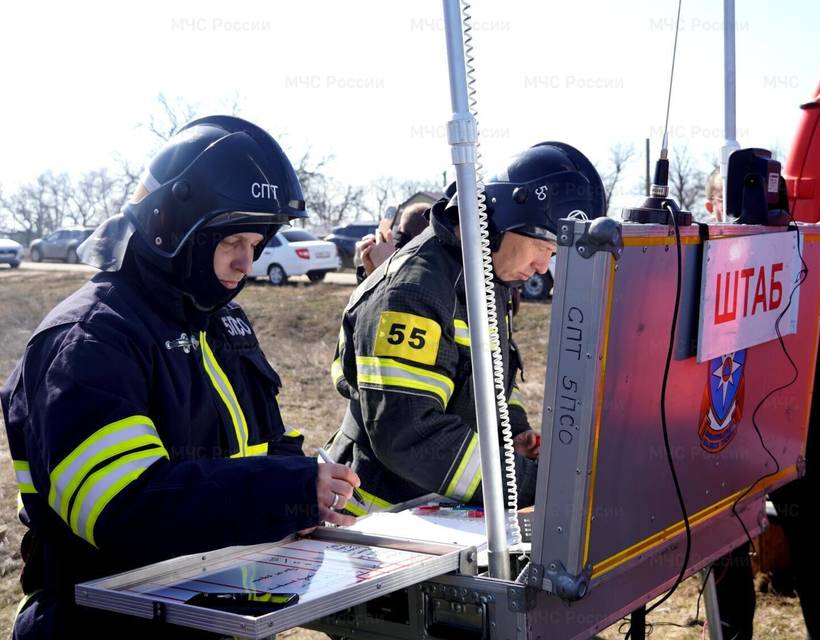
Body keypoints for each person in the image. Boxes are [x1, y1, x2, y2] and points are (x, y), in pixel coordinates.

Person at [1, 116, 360, 638]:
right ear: (175, 230)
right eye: (232, 240)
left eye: (256, 243)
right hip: (101, 623)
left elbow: (266, 444)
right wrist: (283, 492)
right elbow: (126, 506)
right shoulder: (92, 339)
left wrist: (303, 500)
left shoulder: (221, 321)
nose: (247, 262)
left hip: (202, 608)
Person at [326, 142, 606, 514]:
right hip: (377, 520)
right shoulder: (414, 293)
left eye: (552, 256)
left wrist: (515, 431)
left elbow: (491, 378)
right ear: (502, 222)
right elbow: (411, 435)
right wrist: (528, 483)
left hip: (436, 512)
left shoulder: (482, 279)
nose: (543, 267)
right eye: (543, 247)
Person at [713, 179, 820, 640]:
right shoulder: (713, 257)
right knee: (729, 554)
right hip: (728, 438)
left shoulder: (802, 253)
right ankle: (731, 632)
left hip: (795, 432)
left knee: (817, 550)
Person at [355, 201, 432, 282]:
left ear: (399, 227)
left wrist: (370, 274)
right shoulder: (428, 264)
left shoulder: (386, 252)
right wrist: (375, 271)